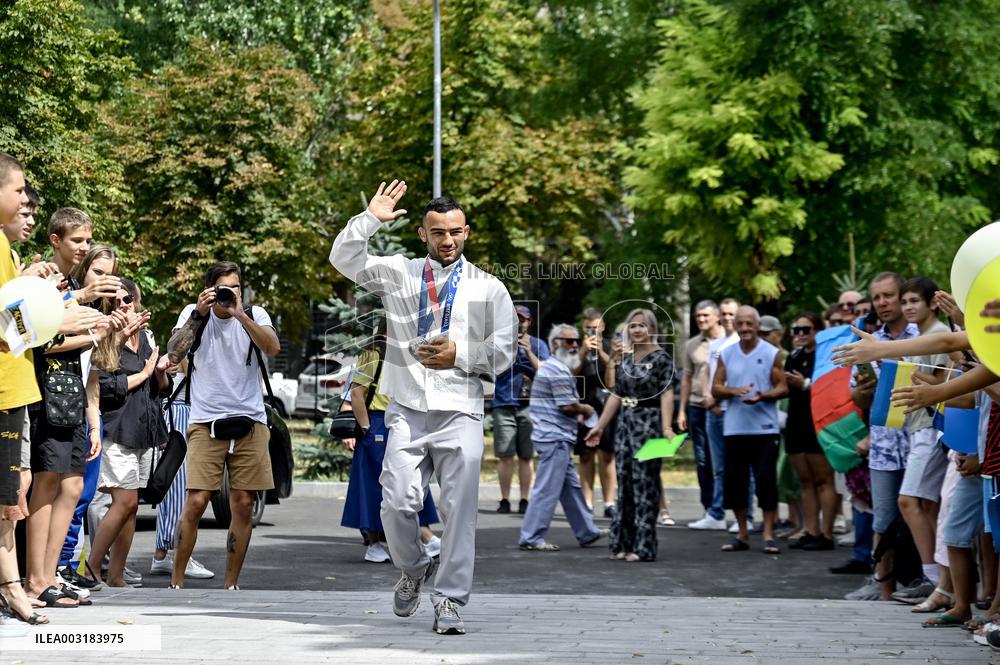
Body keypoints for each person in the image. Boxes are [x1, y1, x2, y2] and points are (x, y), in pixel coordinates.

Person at [329, 180, 517, 635]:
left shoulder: (489, 288)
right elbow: (344, 259)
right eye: (437, 232)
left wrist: (461, 356)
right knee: (395, 502)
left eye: (454, 231)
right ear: (422, 234)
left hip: (460, 412)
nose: (446, 240)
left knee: (459, 511)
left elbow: (505, 350)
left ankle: (449, 599)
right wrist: (369, 219)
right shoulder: (400, 273)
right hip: (408, 409)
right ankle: (413, 568)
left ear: (466, 232)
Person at [166, 261, 280, 590]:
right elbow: (174, 354)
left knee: (243, 504)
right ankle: (176, 581)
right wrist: (198, 314)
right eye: (223, 288)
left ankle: (231, 584)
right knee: (196, 501)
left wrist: (240, 314)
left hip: (250, 420)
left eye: (235, 287)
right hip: (206, 420)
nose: (230, 293)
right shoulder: (194, 314)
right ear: (210, 289)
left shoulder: (255, 314)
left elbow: (272, 347)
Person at [86, 280, 170, 588]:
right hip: (117, 429)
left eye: (129, 299)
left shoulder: (146, 336)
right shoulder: (106, 338)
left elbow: (160, 389)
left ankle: (116, 574)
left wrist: (159, 372)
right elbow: (106, 387)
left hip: (144, 431)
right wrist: (143, 374)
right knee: (123, 501)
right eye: (119, 301)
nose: (125, 305)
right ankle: (92, 567)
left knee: (132, 506)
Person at [342, 317, 441, 563]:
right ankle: (376, 543)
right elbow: (357, 393)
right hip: (377, 422)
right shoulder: (373, 354)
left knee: (409, 480)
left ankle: (424, 537)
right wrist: (366, 427)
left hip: (402, 420)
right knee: (375, 485)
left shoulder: (407, 354)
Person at [0, 152, 49, 626]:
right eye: (18, 191)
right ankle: (13, 588)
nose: (24, 201)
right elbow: (9, 323)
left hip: (15, 388)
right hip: (5, 389)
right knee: (7, 497)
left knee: (10, 494)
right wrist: (61, 316)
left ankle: (12, 587)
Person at [586, 308, 675, 562]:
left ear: (652, 329)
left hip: (649, 424)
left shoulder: (662, 359)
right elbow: (617, 394)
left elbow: (667, 394)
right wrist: (600, 426)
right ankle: (623, 544)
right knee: (624, 486)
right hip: (625, 425)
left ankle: (644, 547)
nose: (637, 330)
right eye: (633, 325)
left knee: (645, 486)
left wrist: (667, 428)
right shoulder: (626, 359)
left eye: (642, 325)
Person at [856, 271, 919, 600]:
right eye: (876, 297)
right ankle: (883, 590)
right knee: (882, 518)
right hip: (883, 443)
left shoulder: (922, 334)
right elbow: (858, 398)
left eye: (888, 295)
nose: (882, 303)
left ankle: (929, 583)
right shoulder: (869, 340)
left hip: (919, 439)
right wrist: (862, 390)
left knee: (922, 513)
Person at [519, 324, 606, 551]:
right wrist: (587, 410)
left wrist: (578, 412)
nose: (575, 345)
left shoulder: (555, 367)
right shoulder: (557, 369)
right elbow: (567, 406)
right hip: (554, 437)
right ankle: (531, 538)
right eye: (569, 341)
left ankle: (587, 531)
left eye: (576, 340)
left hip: (555, 435)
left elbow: (563, 404)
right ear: (555, 343)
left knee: (571, 489)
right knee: (547, 489)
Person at [892, 276, 953, 602]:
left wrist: (904, 371)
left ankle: (933, 579)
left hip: (931, 427)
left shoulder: (939, 334)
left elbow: (944, 383)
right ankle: (941, 580)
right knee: (927, 504)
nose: (908, 307)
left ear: (932, 303)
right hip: (917, 427)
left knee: (908, 500)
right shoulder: (920, 337)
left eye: (914, 300)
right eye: (904, 302)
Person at [712, 306, 788, 554]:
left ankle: (768, 534)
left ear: (757, 326)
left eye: (749, 324)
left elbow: (783, 387)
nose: (745, 328)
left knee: (766, 481)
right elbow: (715, 388)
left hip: (765, 429)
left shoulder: (771, 353)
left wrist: (763, 396)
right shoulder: (726, 354)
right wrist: (733, 391)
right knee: (736, 483)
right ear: (734, 326)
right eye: (740, 324)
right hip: (735, 429)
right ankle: (742, 533)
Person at [783, 312, 838, 550]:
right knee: (805, 480)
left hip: (818, 421)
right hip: (796, 421)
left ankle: (826, 534)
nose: (801, 334)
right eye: (797, 330)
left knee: (823, 479)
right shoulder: (793, 356)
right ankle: (811, 530)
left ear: (817, 331)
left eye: (806, 329)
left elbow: (832, 389)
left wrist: (804, 384)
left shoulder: (826, 357)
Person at [492, 305, 547, 514]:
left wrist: (528, 352)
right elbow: (490, 372)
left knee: (526, 455)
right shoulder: (498, 344)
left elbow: (545, 372)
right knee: (505, 455)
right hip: (503, 403)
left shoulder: (538, 345)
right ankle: (504, 499)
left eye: (522, 319)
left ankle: (525, 499)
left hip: (530, 406)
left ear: (529, 322)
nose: (519, 323)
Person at [703, 297, 749, 533]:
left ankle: (746, 517)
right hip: (713, 411)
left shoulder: (744, 344)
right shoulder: (716, 344)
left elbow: (743, 378)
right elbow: (708, 373)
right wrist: (707, 397)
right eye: (725, 314)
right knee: (718, 467)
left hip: (734, 411)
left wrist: (718, 398)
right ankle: (717, 514)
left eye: (732, 314)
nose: (728, 318)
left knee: (742, 467)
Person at [681, 300, 727, 530]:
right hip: (697, 406)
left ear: (717, 317)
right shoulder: (692, 344)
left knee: (726, 460)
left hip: (723, 406)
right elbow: (686, 378)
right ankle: (710, 508)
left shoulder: (730, 340)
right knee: (702, 460)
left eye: (705, 316)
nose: (701, 319)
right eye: (698, 316)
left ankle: (733, 508)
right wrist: (681, 410)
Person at [574, 307, 617, 516]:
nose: (592, 331)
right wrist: (583, 351)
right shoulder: (575, 347)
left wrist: (601, 353)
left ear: (603, 326)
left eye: (596, 327)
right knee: (585, 455)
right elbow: (570, 374)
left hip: (607, 407)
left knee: (607, 455)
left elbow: (614, 377)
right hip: (584, 408)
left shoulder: (611, 346)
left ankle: (609, 503)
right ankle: (587, 502)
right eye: (588, 328)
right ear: (583, 328)